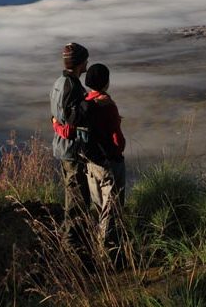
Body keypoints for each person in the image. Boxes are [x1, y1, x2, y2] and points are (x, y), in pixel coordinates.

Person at [81, 63, 127, 261]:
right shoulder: (107, 105)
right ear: (106, 83)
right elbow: (117, 140)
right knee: (112, 211)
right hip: (110, 164)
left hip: (91, 164)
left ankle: (101, 248)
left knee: (100, 208)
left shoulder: (83, 103)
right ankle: (110, 256)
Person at [49, 42, 91, 247]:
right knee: (77, 201)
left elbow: (55, 117)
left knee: (72, 197)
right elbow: (72, 118)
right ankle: (72, 248)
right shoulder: (72, 86)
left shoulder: (58, 82)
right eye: (85, 60)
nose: (87, 64)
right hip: (72, 150)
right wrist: (90, 103)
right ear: (78, 63)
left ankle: (68, 241)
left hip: (62, 147)